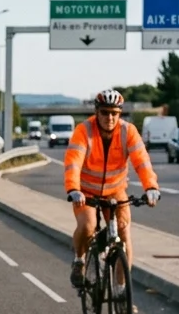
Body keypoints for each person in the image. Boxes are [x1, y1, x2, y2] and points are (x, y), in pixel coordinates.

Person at [64, 88, 160, 291]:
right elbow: (73, 162)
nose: (110, 117)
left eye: (114, 113)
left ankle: (120, 290)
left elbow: (142, 161)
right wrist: (73, 189)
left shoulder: (128, 131)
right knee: (88, 225)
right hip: (86, 192)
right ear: (97, 112)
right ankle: (79, 261)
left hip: (115, 191)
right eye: (105, 112)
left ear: (120, 114)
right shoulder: (84, 131)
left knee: (124, 233)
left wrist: (151, 186)